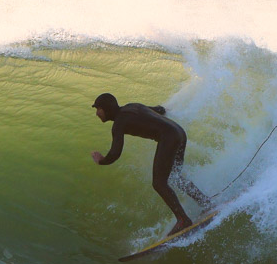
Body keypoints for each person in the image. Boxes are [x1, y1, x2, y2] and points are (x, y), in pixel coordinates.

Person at [90, 93, 212, 236]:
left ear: (107, 109)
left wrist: (101, 160)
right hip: (179, 132)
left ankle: (183, 219)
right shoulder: (132, 106)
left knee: (159, 183)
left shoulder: (119, 124)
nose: (97, 113)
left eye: (98, 109)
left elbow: (115, 154)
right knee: (174, 175)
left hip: (169, 138)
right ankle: (205, 202)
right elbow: (159, 110)